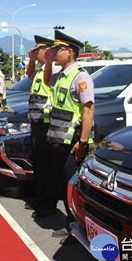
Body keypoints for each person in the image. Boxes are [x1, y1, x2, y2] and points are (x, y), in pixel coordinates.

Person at [43, 29, 94, 244]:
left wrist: (82, 142)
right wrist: (47, 62)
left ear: (70, 52)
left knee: (72, 185)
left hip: (73, 142)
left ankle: (75, 226)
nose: (54, 53)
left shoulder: (80, 76)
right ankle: (72, 223)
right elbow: (47, 82)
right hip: (58, 139)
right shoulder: (61, 75)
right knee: (64, 182)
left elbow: (88, 110)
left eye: (57, 50)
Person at [26, 35, 58, 219]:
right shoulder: (39, 70)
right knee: (38, 164)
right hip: (36, 123)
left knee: (47, 167)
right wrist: (31, 60)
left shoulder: (51, 69)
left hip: (46, 124)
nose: (35, 53)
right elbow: (29, 75)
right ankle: (40, 198)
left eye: (37, 51)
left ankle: (48, 203)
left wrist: (47, 61)